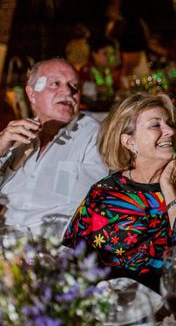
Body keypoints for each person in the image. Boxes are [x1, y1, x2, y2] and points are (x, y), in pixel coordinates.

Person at [63, 93, 176, 291]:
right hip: (116, 305)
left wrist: (169, 190)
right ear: (129, 142)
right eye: (156, 125)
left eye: (169, 123)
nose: (170, 132)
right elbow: (72, 261)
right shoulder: (104, 194)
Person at [0, 59, 107, 233]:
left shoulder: (94, 136)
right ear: (32, 93)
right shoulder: (17, 136)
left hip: (50, 250)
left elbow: (90, 207)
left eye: (74, 85)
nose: (67, 91)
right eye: (55, 83)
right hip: (6, 243)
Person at [79, 36, 120, 111]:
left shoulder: (110, 70)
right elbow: (80, 88)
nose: (109, 57)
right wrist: (96, 88)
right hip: (93, 111)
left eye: (112, 54)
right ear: (94, 54)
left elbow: (117, 90)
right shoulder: (86, 70)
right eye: (105, 54)